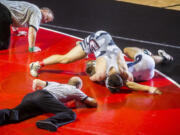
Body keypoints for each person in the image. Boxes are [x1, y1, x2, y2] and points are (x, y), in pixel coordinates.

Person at [29, 30, 133, 82]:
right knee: (66, 59)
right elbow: (93, 78)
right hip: (95, 41)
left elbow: (130, 79)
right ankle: (37, 64)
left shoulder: (124, 70)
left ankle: (81, 46)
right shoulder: (102, 73)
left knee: (88, 55)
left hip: (105, 37)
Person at [0, 76, 97, 132]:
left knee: (16, 114)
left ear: (68, 82)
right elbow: (92, 103)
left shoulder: (55, 84)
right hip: (44, 97)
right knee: (70, 114)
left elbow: (37, 81)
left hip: (31, 96)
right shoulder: (75, 90)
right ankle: (50, 121)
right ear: (79, 86)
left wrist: (35, 89)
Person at [85, 46, 173, 94]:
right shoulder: (107, 71)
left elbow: (129, 84)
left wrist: (149, 88)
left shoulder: (111, 78)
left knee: (147, 61)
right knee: (126, 50)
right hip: (146, 63)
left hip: (147, 77)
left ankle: (163, 57)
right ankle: (157, 56)